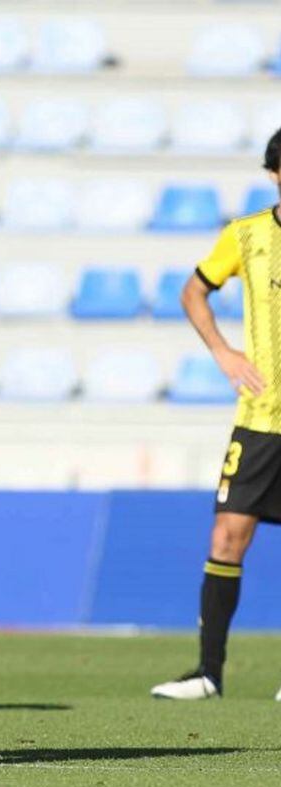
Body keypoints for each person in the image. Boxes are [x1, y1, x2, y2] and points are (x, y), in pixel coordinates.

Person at [151, 126, 281, 702]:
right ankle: (209, 673)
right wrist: (224, 352)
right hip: (260, 419)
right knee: (228, 537)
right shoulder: (247, 236)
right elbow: (192, 292)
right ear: (275, 174)